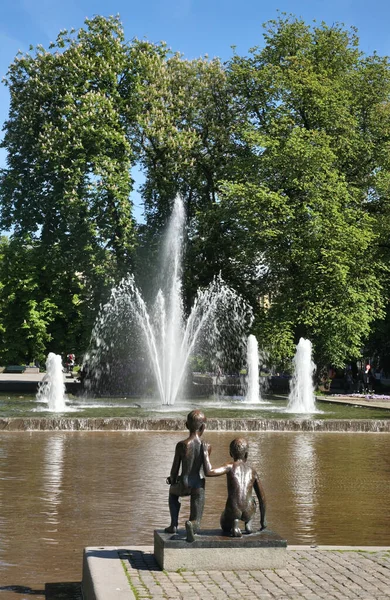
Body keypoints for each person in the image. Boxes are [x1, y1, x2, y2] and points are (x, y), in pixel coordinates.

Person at [202, 437, 266, 537]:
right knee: (253, 500)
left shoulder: (230, 466)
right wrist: (263, 521)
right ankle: (248, 522)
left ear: (231, 454)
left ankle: (234, 523)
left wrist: (206, 453)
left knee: (224, 525)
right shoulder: (252, 471)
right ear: (246, 454)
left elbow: (209, 472)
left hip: (233, 509)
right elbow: (262, 498)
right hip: (249, 509)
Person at [165, 409, 207, 542]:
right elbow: (206, 469)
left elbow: (174, 470)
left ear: (186, 425)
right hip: (198, 485)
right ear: (203, 427)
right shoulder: (206, 446)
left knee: (172, 494)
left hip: (184, 484)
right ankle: (192, 524)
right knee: (197, 519)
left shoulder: (182, 445)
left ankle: (174, 524)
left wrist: (172, 479)